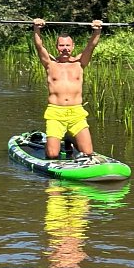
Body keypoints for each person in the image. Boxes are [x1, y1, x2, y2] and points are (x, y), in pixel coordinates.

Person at [33, 17, 103, 160]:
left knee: (88, 153)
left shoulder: (80, 62)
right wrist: (37, 29)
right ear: (56, 47)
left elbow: (91, 45)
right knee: (52, 154)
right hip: (55, 112)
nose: (65, 49)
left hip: (76, 112)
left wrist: (97, 30)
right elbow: (39, 46)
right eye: (61, 46)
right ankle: (56, 141)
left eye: (67, 46)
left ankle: (69, 138)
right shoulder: (50, 64)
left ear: (72, 46)